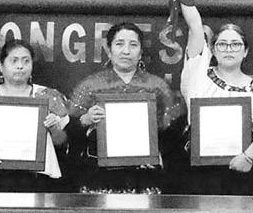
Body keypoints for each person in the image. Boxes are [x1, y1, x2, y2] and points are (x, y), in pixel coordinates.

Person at [175, 0, 253, 195]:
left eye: (235, 44)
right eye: (222, 44)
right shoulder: (198, 72)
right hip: (198, 170)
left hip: (241, 169)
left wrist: (248, 157)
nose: (229, 49)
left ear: (245, 51)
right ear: (212, 49)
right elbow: (195, 26)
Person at [67, 22, 181, 194]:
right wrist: (86, 119)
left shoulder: (157, 86)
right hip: (100, 174)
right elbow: (70, 132)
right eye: (119, 44)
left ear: (140, 52)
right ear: (109, 50)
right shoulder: (90, 85)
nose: (126, 51)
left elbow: (172, 132)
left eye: (133, 45)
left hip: (146, 174)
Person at [0, 39, 71, 192]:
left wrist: (54, 128)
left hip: (37, 181)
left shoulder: (48, 96)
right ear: (1, 66)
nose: (20, 66)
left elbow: (62, 143)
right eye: (14, 61)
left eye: (26, 61)